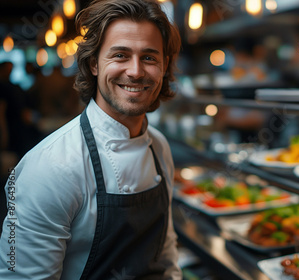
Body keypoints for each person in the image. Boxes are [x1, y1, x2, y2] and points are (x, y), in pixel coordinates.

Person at [0, 0, 182, 279]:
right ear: (94, 63)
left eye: (149, 57)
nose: (135, 71)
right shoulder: (48, 167)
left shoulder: (159, 147)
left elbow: (165, 251)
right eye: (120, 55)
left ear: (164, 65)